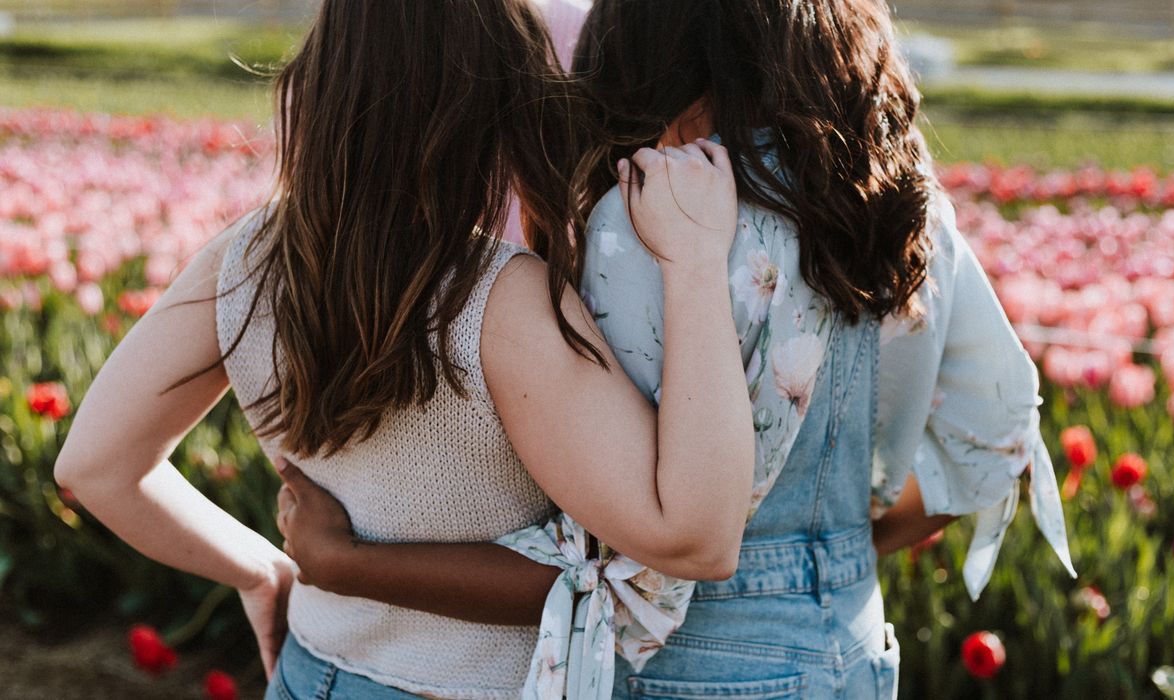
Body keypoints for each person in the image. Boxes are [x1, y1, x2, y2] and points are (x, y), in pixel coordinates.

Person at [276, 0, 1075, 697]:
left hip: (685, 665)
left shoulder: (641, 225)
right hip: (851, 645)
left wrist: (348, 561)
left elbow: (608, 554)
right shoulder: (898, 204)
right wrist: (815, 561)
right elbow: (995, 435)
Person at [52, 1, 759, 698]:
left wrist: (259, 573)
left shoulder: (245, 258)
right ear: (499, 91)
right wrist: (694, 263)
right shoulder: (499, 298)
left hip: (308, 671)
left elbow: (97, 466)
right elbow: (696, 539)